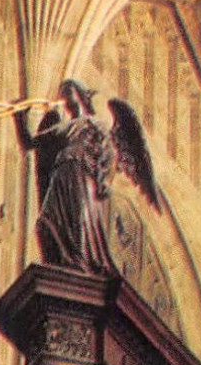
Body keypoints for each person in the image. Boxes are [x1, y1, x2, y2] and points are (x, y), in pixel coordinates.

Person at [16, 79, 156, 274]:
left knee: (80, 227)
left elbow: (110, 154)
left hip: (81, 178)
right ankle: (63, 264)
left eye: (68, 92)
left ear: (81, 96)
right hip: (62, 176)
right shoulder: (67, 127)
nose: (64, 99)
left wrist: (103, 179)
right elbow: (29, 143)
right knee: (45, 223)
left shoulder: (96, 124)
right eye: (62, 95)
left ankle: (79, 264)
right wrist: (18, 117)